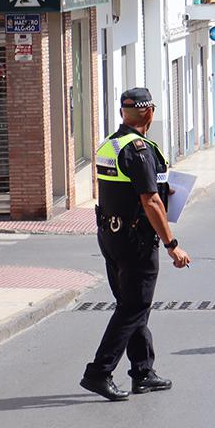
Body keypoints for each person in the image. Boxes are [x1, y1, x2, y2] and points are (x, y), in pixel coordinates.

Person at [81, 88, 192, 401]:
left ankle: (142, 371)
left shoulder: (111, 145)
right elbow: (151, 201)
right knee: (134, 306)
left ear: (122, 113)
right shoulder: (139, 149)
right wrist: (172, 244)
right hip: (136, 241)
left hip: (110, 236)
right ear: (149, 113)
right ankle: (99, 372)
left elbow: (127, 189)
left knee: (132, 304)